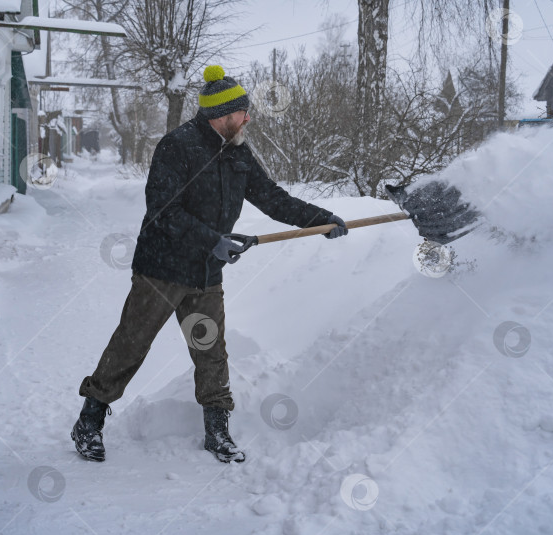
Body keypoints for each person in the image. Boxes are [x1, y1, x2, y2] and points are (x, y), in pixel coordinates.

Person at [71, 65, 348, 463]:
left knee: (211, 349)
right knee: (131, 343)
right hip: (161, 269)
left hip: (205, 271)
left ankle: (217, 431)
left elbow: (271, 197)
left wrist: (320, 219)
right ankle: (89, 421)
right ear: (221, 115)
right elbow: (162, 209)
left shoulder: (238, 151)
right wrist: (212, 240)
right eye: (242, 112)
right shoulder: (177, 146)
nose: (248, 117)